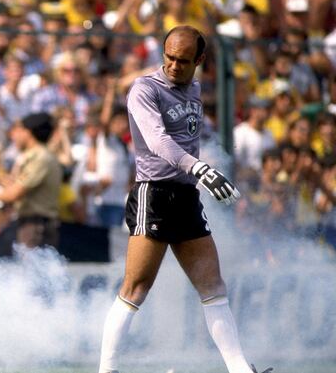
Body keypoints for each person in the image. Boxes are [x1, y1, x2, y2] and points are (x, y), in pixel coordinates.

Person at [97, 26, 268, 373]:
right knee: (136, 287)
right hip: (154, 194)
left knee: (213, 285)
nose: (174, 65)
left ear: (199, 60)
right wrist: (201, 169)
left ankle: (239, 370)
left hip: (186, 195)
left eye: (183, 60)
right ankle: (107, 371)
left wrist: (203, 172)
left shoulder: (193, 88)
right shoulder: (144, 89)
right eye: (170, 57)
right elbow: (159, 142)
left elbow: (189, 140)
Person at [0, 112, 61, 256]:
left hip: (36, 226)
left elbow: (14, 194)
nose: (14, 135)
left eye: (18, 130)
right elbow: (18, 185)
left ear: (28, 132)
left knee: (32, 275)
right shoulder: (37, 155)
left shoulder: (40, 158)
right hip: (32, 224)